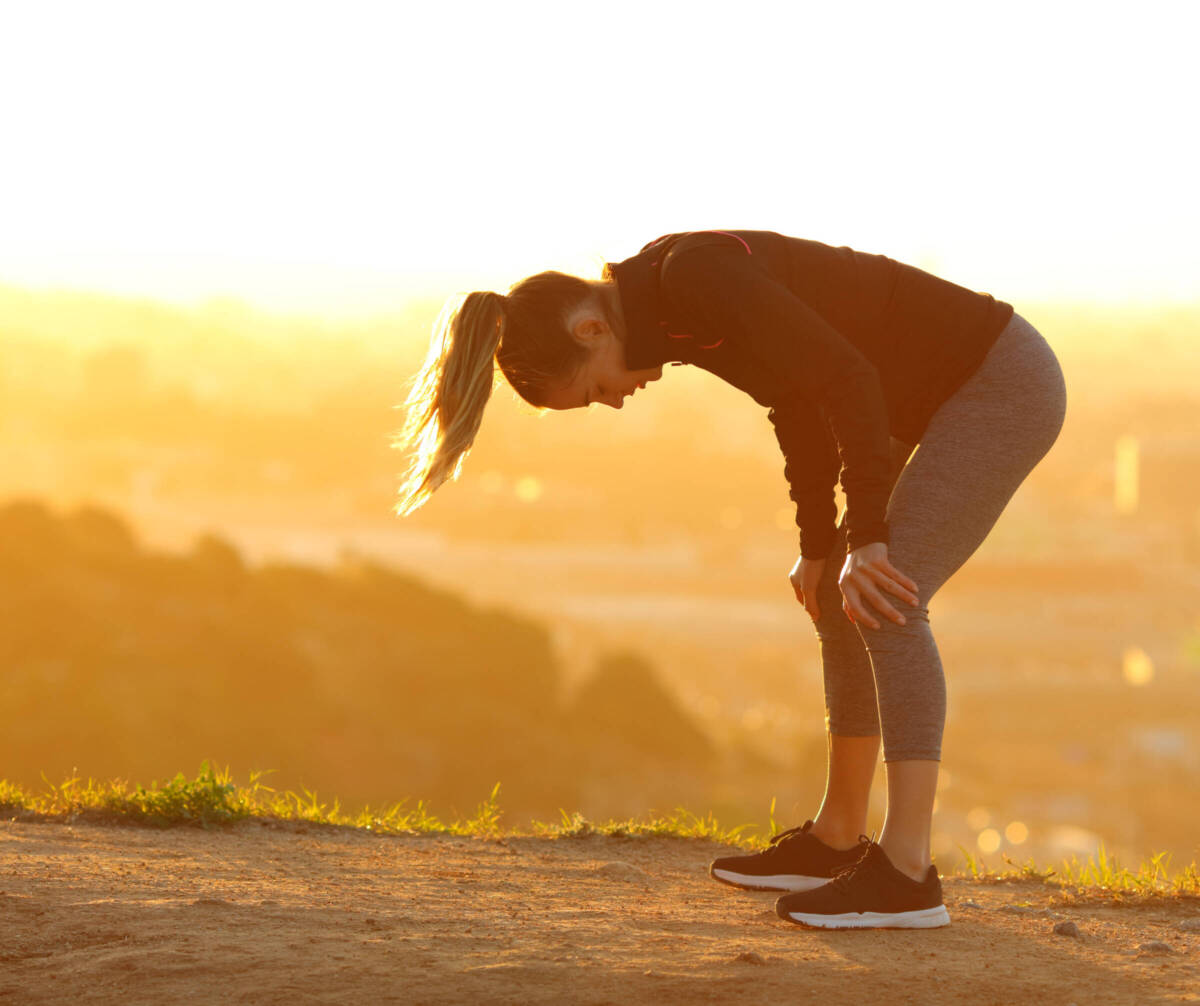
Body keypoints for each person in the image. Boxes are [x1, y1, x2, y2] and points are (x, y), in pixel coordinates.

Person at [392, 228, 1067, 931]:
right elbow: (796, 400)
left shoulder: (692, 281)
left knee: (886, 593)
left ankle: (907, 874)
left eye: (595, 389)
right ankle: (838, 836)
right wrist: (818, 547)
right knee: (841, 591)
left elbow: (845, 380)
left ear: (589, 327)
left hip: (997, 383)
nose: (616, 403)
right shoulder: (671, 305)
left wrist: (867, 538)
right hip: (918, 394)